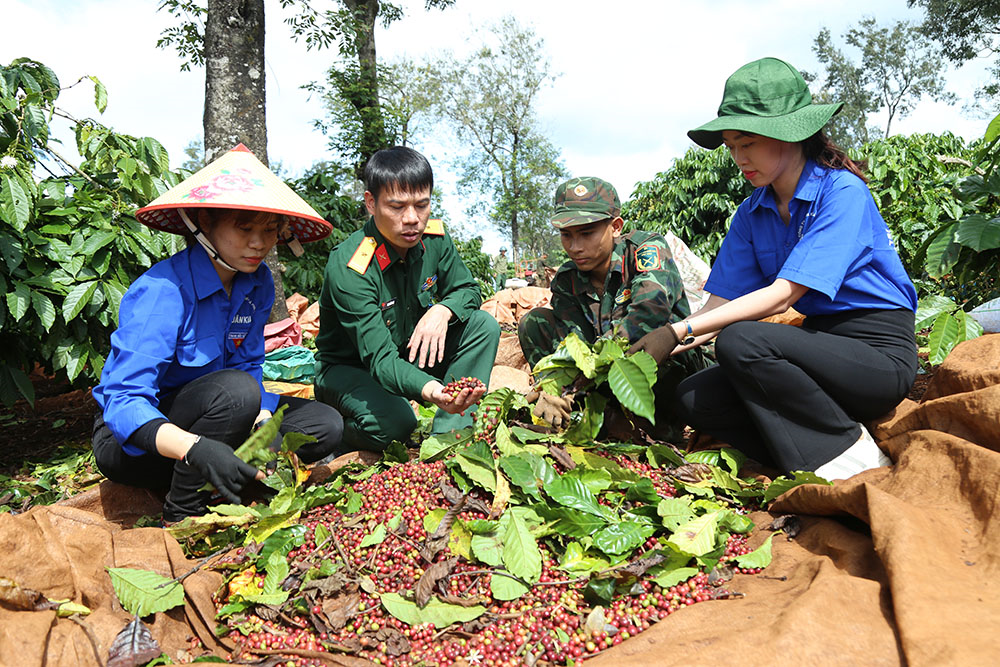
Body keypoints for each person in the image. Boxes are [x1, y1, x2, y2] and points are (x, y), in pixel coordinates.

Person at [629, 58, 918, 479]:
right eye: (730, 145)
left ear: (789, 135)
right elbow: (715, 310)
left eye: (747, 142)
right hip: (817, 352)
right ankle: (804, 452)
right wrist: (646, 352)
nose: (738, 157)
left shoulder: (842, 192)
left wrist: (676, 330)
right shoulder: (752, 213)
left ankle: (854, 463)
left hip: (876, 355)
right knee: (694, 397)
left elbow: (784, 295)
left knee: (741, 341)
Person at [92, 144, 345, 522]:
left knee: (322, 425)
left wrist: (263, 420)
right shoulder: (163, 290)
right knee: (235, 392)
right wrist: (195, 448)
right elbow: (124, 401)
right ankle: (182, 511)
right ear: (204, 223)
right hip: (142, 442)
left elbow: (249, 363)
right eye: (245, 228)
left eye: (270, 231)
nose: (259, 243)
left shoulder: (256, 283)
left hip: (223, 416)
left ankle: (232, 479)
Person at [314, 146, 500, 451]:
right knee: (397, 427)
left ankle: (451, 437)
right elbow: (380, 359)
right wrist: (433, 391)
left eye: (422, 205)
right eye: (397, 207)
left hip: (407, 352)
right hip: (351, 368)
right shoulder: (351, 266)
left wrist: (442, 310)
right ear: (371, 203)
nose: (412, 219)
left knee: (482, 326)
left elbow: (468, 289)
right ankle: (334, 425)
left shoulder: (435, 241)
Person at [518, 176, 704, 439]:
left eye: (586, 233)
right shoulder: (567, 280)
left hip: (667, 370)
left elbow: (646, 316)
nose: (575, 246)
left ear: (615, 227)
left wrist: (584, 370)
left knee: (651, 346)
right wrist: (552, 383)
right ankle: (585, 415)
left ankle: (656, 425)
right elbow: (572, 344)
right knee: (534, 322)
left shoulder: (645, 251)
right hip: (604, 376)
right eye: (566, 235)